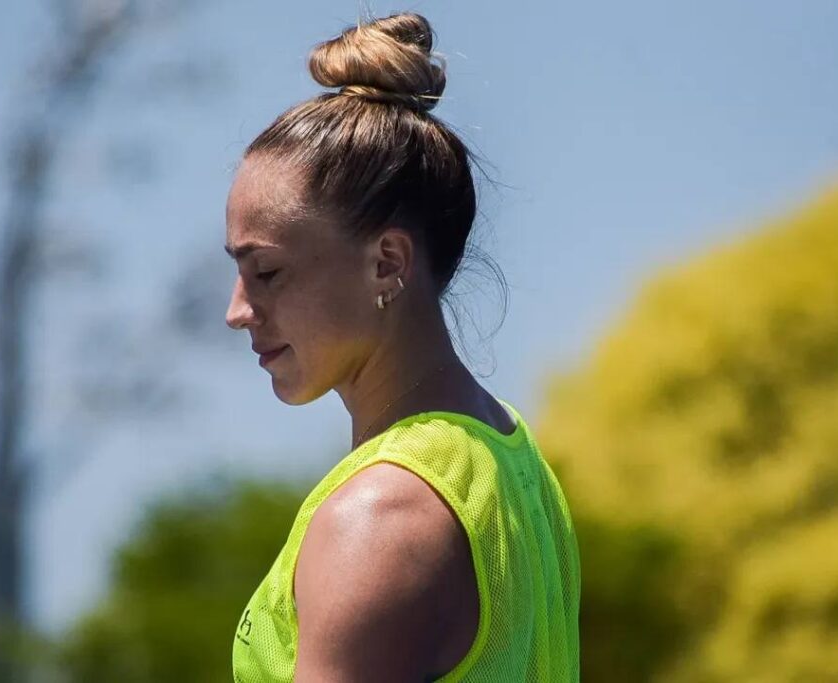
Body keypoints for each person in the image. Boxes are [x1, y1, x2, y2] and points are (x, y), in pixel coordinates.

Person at [225, 11, 580, 682]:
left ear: (387, 262)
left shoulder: (382, 518)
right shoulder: (513, 458)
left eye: (265, 272)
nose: (238, 310)